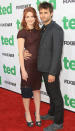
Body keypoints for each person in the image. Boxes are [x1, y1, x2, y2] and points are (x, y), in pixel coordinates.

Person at [24, 2, 64, 131]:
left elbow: (57, 52)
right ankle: (52, 114)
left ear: (51, 13)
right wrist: (25, 51)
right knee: (52, 94)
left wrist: (52, 72)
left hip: (50, 70)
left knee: (56, 96)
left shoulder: (56, 29)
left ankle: (58, 123)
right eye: (41, 13)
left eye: (45, 12)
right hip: (43, 68)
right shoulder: (43, 28)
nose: (42, 15)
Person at [17, 7, 42, 127]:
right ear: (24, 18)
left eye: (32, 16)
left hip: (38, 67)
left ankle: (37, 114)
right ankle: (27, 113)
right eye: (27, 16)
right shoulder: (22, 32)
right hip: (27, 67)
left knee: (37, 91)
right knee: (27, 92)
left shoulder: (39, 31)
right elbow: (20, 52)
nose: (30, 19)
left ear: (35, 17)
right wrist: (23, 70)